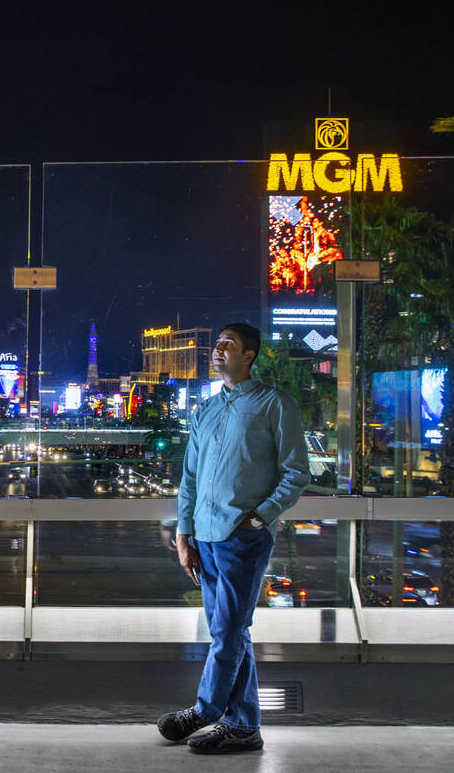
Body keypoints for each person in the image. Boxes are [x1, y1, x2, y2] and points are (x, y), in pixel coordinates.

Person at [157, 322, 310, 754]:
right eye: (218, 343)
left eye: (229, 344)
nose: (218, 349)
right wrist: (184, 535)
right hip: (203, 537)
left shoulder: (274, 405)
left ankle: (205, 711)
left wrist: (260, 518)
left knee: (226, 631)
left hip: (242, 538)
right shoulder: (205, 409)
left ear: (249, 356)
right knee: (233, 632)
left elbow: (298, 473)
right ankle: (244, 727)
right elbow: (189, 479)